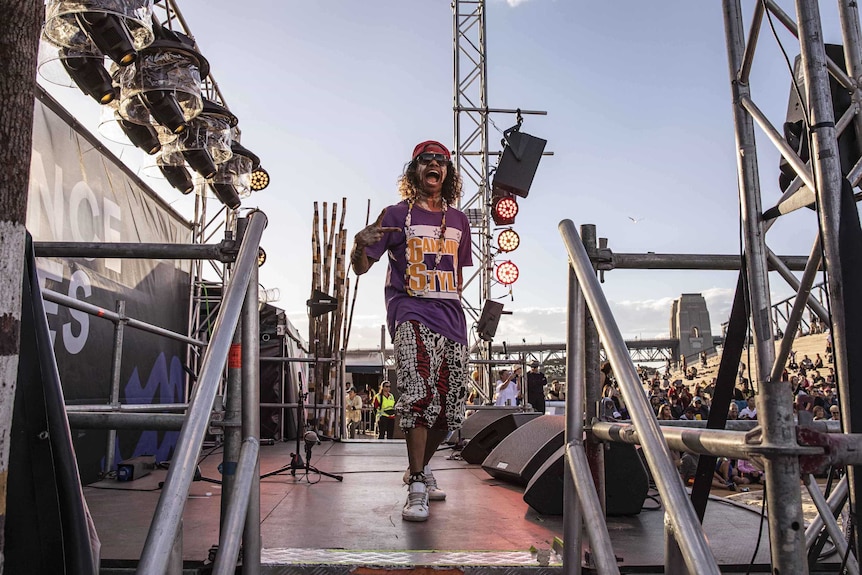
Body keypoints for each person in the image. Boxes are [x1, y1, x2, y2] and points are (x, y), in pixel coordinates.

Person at [351, 140, 472, 522]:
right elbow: (360, 268)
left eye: (440, 161)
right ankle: (417, 482)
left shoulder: (460, 220)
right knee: (418, 392)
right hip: (409, 310)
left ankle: (420, 466)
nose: (433, 165)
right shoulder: (394, 214)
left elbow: (458, 275)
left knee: (451, 407)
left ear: (448, 173)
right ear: (414, 170)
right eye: (425, 160)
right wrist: (358, 244)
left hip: (450, 315)